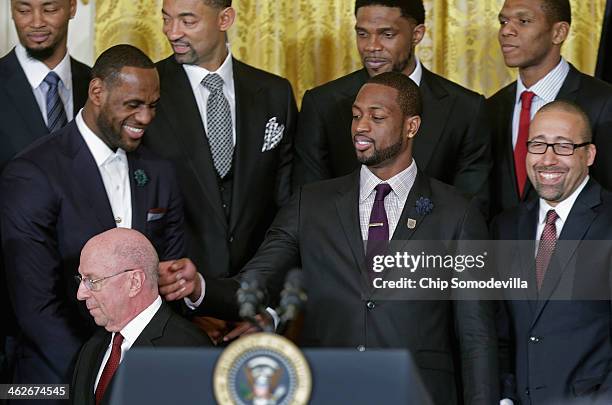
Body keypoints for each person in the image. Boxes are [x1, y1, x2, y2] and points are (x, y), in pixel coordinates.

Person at [197, 72, 498, 405]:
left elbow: (477, 335)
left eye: (377, 117)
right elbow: (255, 280)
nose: (361, 127)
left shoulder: (458, 212)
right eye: (356, 116)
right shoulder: (309, 204)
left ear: (411, 126)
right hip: (328, 389)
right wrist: (197, 287)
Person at [0, 44, 195, 393]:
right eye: (133, 105)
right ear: (97, 92)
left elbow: (169, 281)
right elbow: (37, 308)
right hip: (56, 380)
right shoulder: (33, 173)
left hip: (149, 379)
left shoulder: (160, 170)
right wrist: (100, 379)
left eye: (152, 106)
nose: (147, 118)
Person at [145, 0, 297, 342]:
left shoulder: (275, 94)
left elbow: (290, 215)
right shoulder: (148, 92)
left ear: (225, 18)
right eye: (167, 20)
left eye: (187, 20)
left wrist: (269, 311)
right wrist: (183, 308)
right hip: (173, 316)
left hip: (257, 314)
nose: (173, 32)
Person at [293, 0, 491, 209]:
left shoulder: (466, 108)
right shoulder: (323, 104)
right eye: (362, 34)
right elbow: (308, 205)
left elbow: (470, 208)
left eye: (387, 35)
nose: (371, 46)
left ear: (417, 34)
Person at [492, 100, 612, 404]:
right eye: (538, 145)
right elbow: (500, 329)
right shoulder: (505, 227)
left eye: (563, 147)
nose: (547, 159)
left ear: (589, 154)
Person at [0, 0, 90, 380]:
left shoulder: (98, 85)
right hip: (10, 320)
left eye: (49, 8)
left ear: (72, 7)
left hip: (93, 312)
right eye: (23, 10)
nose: (35, 22)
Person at [488, 0, 612, 217]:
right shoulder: (492, 107)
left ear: (559, 33)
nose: (506, 31)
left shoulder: (604, 102)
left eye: (523, 21)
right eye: (503, 21)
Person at [72, 229, 211, 405]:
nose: (80, 294)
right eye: (81, 279)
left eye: (92, 281)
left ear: (134, 282)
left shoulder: (189, 353)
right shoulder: (93, 347)